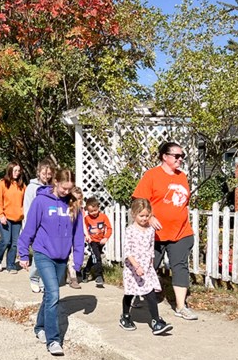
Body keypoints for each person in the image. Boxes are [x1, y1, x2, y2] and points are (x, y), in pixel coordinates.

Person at [18, 168, 85, 357]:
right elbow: (29, 228)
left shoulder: (73, 205)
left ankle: (39, 326)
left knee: (49, 294)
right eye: (64, 188)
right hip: (43, 253)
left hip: (61, 257)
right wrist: (23, 253)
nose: (66, 192)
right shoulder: (41, 202)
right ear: (55, 182)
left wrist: (77, 262)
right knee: (54, 293)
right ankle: (53, 339)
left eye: (70, 188)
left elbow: (78, 235)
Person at [132, 141, 198, 320]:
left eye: (182, 156)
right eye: (177, 156)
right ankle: (140, 295)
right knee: (148, 265)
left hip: (181, 232)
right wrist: (150, 217)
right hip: (156, 234)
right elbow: (139, 201)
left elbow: (183, 203)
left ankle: (181, 306)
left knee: (180, 267)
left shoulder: (182, 177)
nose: (180, 159)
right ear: (165, 156)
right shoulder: (152, 176)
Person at [121, 197, 173, 335]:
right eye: (141, 216)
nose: (144, 219)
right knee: (130, 293)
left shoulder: (150, 230)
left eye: (147, 215)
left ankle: (155, 321)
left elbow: (151, 248)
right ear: (134, 215)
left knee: (150, 293)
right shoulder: (130, 230)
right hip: (133, 268)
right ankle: (125, 316)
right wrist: (136, 266)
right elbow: (128, 251)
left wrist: (151, 262)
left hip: (147, 268)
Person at [22, 159, 56, 293]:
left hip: (49, 227)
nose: (46, 176)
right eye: (44, 173)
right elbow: (27, 208)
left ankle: (44, 282)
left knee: (48, 256)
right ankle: (34, 278)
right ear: (39, 172)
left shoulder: (53, 187)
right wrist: (28, 228)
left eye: (49, 174)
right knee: (39, 255)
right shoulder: (32, 188)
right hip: (35, 226)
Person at [0, 162, 26, 273]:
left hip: (17, 218)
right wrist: (0, 214)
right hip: (5, 217)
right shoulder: (3, 183)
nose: (16, 173)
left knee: (14, 243)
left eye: (18, 171)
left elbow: (25, 201)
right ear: (10, 170)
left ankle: (11, 265)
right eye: (14, 170)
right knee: (6, 241)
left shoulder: (22, 185)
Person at [81, 196, 112, 288]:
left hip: (101, 240)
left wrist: (106, 238)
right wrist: (86, 237)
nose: (94, 213)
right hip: (92, 240)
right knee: (97, 257)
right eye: (91, 211)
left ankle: (86, 271)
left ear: (98, 207)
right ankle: (99, 276)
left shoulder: (103, 217)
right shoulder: (86, 219)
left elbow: (109, 228)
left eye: (95, 210)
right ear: (87, 210)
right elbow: (84, 228)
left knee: (93, 257)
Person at [65, 187, 85, 289]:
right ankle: (66, 274)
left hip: (74, 237)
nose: (77, 202)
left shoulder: (79, 212)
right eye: (75, 199)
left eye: (79, 199)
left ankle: (73, 277)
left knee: (73, 257)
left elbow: (80, 227)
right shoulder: (65, 209)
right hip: (63, 238)